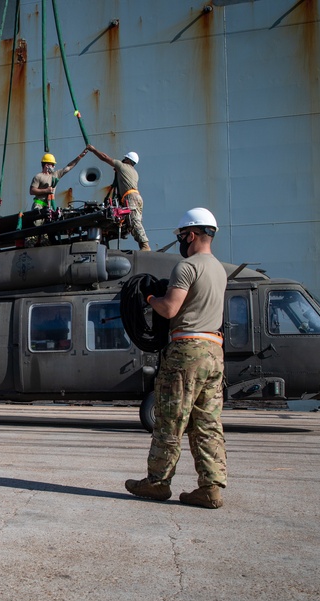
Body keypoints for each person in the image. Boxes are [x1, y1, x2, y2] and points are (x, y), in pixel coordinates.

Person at [125, 207, 228, 508]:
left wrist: (150, 297)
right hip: (214, 350)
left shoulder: (187, 267)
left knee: (170, 419)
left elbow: (170, 310)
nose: (182, 241)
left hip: (186, 350)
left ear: (191, 235)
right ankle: (211, 487)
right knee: (207, 422)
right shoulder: (219, 269)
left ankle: (157, 482)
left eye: (182, 236)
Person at [86, 145, 150, 250]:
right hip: (137, 197)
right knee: (134, 221)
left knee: (134, 221)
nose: (123, 160)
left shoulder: (122, 166)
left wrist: (93, 150)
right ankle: (142, 244)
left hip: (131, 197)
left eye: (125, 159)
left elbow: (104, 157)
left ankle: (145, 245)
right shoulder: (134, 172)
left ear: (128, 160)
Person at [25, 149, 88, 246]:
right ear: (47, 165)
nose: (54, 167)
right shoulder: (38, 177)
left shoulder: (55, 175)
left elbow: (69, 167)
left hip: (49, 206)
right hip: (39, 205)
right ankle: (32, 243)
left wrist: (80, 157)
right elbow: (32, 191)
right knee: (37, 226)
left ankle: (46, 243)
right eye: (52, 165)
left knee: (49, 226)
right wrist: (46, 191)